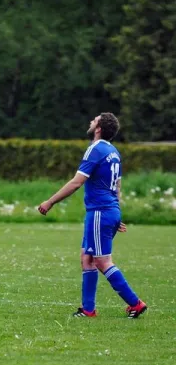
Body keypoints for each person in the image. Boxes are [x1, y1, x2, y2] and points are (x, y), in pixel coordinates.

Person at [38, 113, 147, 318]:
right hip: (106, 211)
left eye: (94, 120)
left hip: (100, 212)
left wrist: (50, 201)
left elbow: (76, 182)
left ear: (98, 128)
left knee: (102, 261)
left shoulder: (95, 149)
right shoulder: (113, 151)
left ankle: (136, 303)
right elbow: (117, 186)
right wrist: (115, 213)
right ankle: (88, 310)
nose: (91, 121)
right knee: (86, 258)